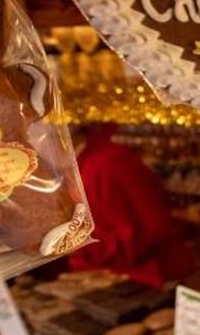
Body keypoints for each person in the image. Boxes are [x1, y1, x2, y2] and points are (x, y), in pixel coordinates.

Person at [67, 123, 190, 287]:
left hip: (139, 279)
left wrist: (74, 245)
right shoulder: (83, 164)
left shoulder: (109, 163)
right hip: (101, 276)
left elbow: (149, 229)